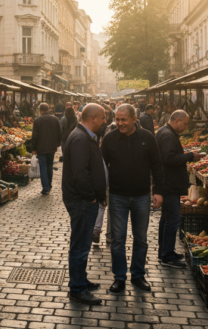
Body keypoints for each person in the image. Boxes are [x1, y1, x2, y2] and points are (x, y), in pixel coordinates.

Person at [103, 103, 166, 293]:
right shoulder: (110, 138)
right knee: (117, 240)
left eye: (124, 120)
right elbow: (102, 167)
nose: (120, 123)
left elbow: (157, 165)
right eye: (117, 119)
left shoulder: (147, 137)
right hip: (117, 196)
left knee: (141, 239)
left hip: (141, 196)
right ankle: (119, 277)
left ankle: (138, 275)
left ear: (134, 119)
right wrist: (101, 192)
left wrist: (158, 191)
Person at [61, 104, 108, 305]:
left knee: (82, 244)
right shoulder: (80, 138)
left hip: (82, 200)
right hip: (81, 201)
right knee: (80, 245)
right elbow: (81, 174)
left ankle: (80, 279)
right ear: (94, 118)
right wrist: (91, 197)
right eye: (103, 118)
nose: (105, 121)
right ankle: (77, 289)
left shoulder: (83, 135)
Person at [156, 110, 202, 268]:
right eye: (185, 123)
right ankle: (167, 256)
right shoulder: (168, 135)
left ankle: (164, 251)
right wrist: (189, 156)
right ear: (176, 120)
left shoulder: (164, 131)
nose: (185, 127)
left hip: (167, 182)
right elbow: (169, 158)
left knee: (166, 218)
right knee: (173, 219)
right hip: (170, 183)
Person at [31, 103, 62, 195]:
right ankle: (49, 184)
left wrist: (34, 148)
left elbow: (35, 136)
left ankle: (45, 187)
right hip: (51, 148)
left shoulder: (37, 120)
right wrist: (57, 144)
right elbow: (59, 133)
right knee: (49, 167)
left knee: (43, 167)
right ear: (48, 109)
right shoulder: (55, 119)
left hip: (41, 148)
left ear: (40, 110)